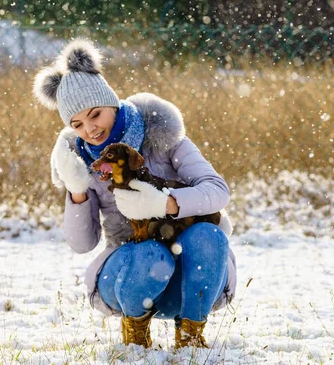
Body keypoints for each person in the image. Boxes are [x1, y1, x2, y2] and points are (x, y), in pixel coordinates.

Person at [33, 39, 236, 349]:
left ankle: (191, 336)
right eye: (77, 124)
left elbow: (217, 190)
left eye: (95, 114)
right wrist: (76, 191)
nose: (90, 129)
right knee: (152, 255)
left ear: (111, 103)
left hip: (189, 280)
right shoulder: (82, 161)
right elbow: (81, 243)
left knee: (209, 236)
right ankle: (135, 337)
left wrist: (165, 203)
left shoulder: (163, 137)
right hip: (131, 276)